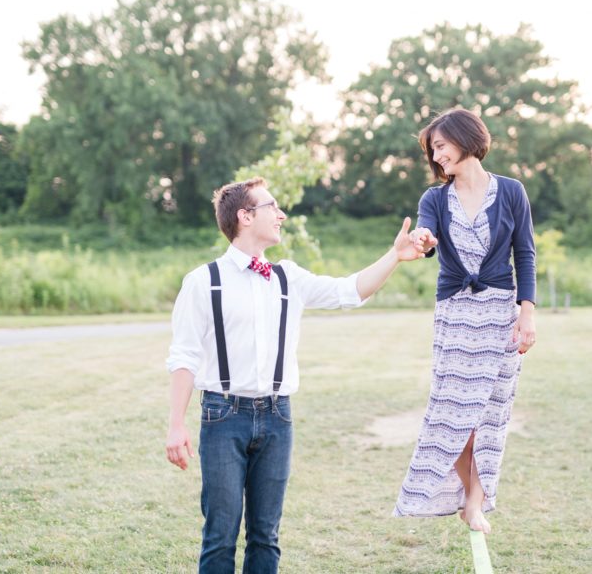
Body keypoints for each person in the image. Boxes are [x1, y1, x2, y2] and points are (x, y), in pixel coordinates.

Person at [165, 176, 429, 574]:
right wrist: (175, 425)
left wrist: (394, 256)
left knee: (266, 536)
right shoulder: (203, 281)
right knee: (220, 535)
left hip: (277, 418)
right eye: (272, 206)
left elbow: (350, 291)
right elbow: (184, 355)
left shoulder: (287, 277)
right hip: (222, 417)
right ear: (245, 216)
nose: (282, 214)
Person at [394, 107, 537, 534]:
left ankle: (475, 505)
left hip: (500, 314)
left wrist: (527, 314)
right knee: (450, 415)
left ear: (466, 138)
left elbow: (525, 254)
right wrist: (423, 239)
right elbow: (426, 233)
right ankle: (470, 494)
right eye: (432, 150)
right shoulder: (434, 199)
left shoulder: (511, 191)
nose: (436, 156)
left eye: (441, 146)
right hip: (455, 314)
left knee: (491, 415)